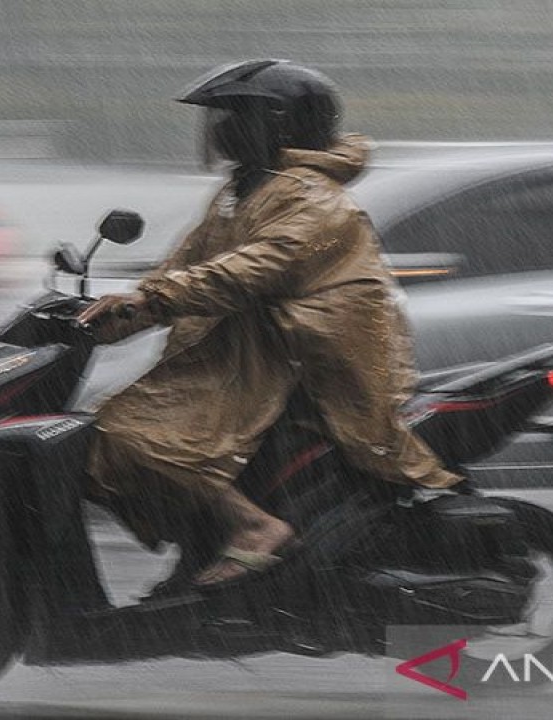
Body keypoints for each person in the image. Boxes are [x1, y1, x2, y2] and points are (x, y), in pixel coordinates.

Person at [78, 59, 463, 587]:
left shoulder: (312, 197)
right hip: (251, 355)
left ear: (281, 125)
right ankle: (203, 544)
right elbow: (187, 264)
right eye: (222, 118)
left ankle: (256, 526)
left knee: (132, 432)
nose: (222, 130)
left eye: (238, 117)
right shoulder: (243, 190)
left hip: (303, 359)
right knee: (102, 434)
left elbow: (252, 268)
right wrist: (120, 310)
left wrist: (154, 301)